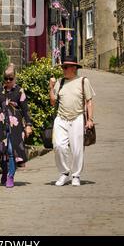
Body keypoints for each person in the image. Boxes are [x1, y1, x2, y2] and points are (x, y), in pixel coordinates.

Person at [49, 56, 95, 186]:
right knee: (58, 146)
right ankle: (64, 173)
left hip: (77, 118)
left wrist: (90, 119)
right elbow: (53, 102)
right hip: (61, 118)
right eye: (63, 67)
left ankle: (76, 175)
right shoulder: (60, 82)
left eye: (66, 67)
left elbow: (89, 101)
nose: (63, 69)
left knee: (77, 149)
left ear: (74, 68)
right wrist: (51, 87)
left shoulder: (83, 81)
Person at [0, 63, 33, 188]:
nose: (8, 81)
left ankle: (11, 176)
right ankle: (5, 171)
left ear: (15, 78)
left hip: (15, 126)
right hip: (1, 125)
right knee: (2, 151)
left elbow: (25, 110)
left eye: (10, 78)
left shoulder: (19, 91)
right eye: (5, 78)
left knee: (12, 151)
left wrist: (28, 125)